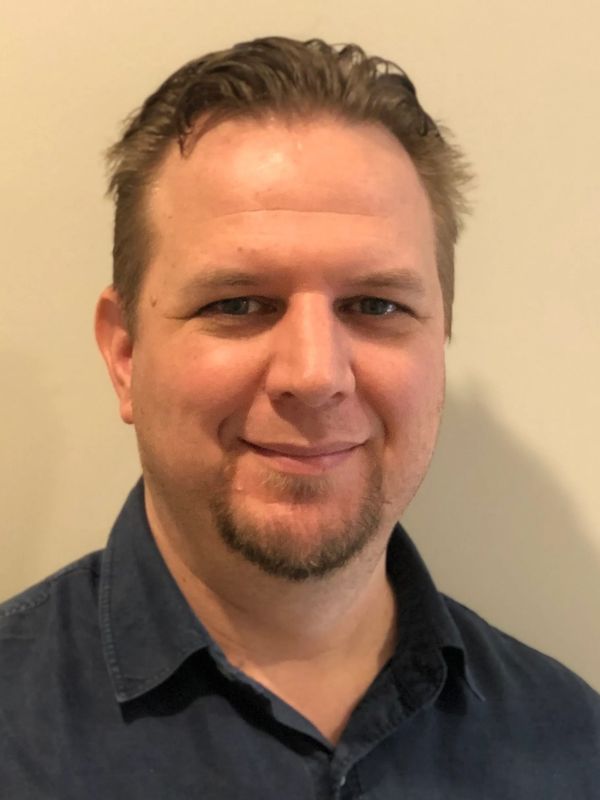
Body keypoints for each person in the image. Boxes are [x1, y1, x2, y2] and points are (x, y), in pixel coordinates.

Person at [1, 36, 598, 799]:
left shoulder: (574, 746)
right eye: (238, 304)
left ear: (439, 339)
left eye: (376, 305)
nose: (314, 376)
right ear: (125, 355)